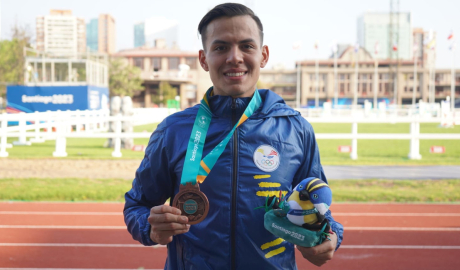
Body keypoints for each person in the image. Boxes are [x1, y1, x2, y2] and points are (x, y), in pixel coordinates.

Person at [124, 3, 343, 269]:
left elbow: (318, 203)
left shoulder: (296, 129)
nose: (234, 57)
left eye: (246, 46)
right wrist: (151, 227)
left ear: (263, 55)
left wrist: (329, 236)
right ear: (204, 59)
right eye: (221, 47)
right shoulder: (173, 131)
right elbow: (137, 205)